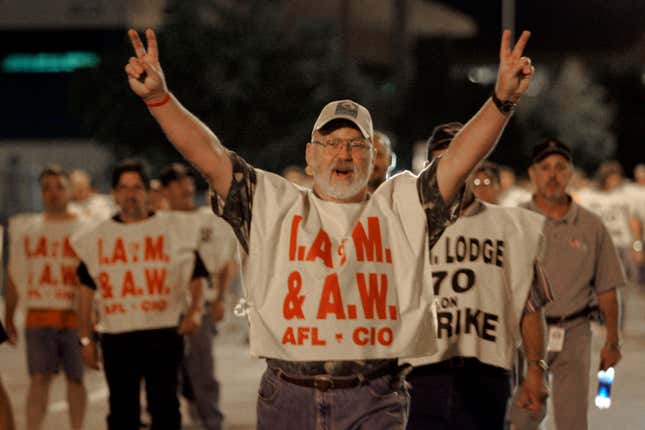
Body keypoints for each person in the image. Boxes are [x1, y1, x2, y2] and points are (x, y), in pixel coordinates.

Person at [124, 27, 535, 428]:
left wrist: (501, 101)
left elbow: (459, 160)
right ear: (310, 155)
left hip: (373, 395)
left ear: (372, 158)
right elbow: (210, 156)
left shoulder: (403, 207)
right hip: (288, 396)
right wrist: (160, 99)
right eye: (331, 142)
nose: (344, 152)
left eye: (357, 145)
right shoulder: (270, 204)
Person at [406, 123, 551, 429]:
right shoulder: (405, 221)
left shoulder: (509, 228)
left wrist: (536, 370)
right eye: (441, 162)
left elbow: (531, 305)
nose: (452, 171)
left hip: (486, 374)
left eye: (462, 160)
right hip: (421, 374)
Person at [71, 159, 208, 430]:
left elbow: (197, 275)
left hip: (163, 333)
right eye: (123, 188)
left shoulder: (174, 229)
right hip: (116, 336)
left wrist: (195, 312)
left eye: (136, 187)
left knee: (166, 409)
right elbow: (85, 291)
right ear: (114, 193)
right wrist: (86, 338)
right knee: (122, 414)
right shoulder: (97, 237)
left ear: (147, 191)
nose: (130, 194)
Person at [510, 139, 625, 430]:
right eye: (545, 167)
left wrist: (612, 341)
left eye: (561, 168)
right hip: (526, 333)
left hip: (574, 332)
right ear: (533, 174)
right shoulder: (515, 222)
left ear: (571, 173)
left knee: (572, 421)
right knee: (523, 418)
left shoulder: (591, 225)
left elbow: (607, 288)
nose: (553, 175)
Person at [4, 165, 88, 430]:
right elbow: (15, 276)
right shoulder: (28, 229)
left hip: (75, 316)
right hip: (39, 316)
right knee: (39, 380)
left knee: (76, 379)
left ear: (69, 191)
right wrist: (8, 316)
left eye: (59, 187)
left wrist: (94, 317)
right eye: (47, 188)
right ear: (40, 193)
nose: (53, 193)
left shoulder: (85, 227)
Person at [161, 162, 238, 430]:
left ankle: (211, 421)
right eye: (177, 184)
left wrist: (220, 299)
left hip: (202, 304)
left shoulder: (209, 220)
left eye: (187, 182)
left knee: (202, 369)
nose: (185, 188)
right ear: (165, 191)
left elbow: (226, 261)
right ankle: (192, 411)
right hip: (166, 308)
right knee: (177, 372)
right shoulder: (158, 222)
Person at [576, 161, 644, 282]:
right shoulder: (589, 196)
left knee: (628, 284)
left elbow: (634, 222)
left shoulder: (625, 194)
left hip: (623, 245)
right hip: (600, 246)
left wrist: (637, 247)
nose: (614, 182)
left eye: (617, 178)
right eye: (611, 178)